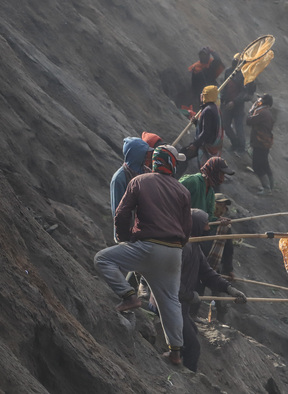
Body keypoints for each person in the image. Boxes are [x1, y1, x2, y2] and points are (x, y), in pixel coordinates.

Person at [94, 145, 192, 366]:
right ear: (172, 163)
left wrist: (123, 238)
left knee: (102, 259)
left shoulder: (140, 181)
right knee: (171, 302)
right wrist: (177, 246)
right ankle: (175, 352)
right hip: (173, 251)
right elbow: (187, 228)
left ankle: (129, 296)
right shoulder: (182, 191)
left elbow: (121, 212)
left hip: (146, 246)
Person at [179, 209, 246, 372]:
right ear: (196, 226)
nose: (208, 228)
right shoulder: (182, 248)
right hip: (170, 305)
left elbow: (209, 274)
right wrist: (190, 295)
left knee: (192, 332)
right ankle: (188, 378)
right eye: (206, 224)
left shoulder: (195, 248)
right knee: (193, 347)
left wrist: (230, 289)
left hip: (181, 307)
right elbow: (169, 282)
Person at [177, 85, 224, 177]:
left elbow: (206, 132)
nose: (201, 95)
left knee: (182, 156)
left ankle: (174, 178)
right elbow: (210, 127)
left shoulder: (207, 111)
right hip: (210, 143)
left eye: (203, 94)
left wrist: (195, 144)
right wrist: (196, 123)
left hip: (206, 145)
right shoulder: (214, 108)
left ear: (206, 96)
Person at [220, 54, 256, 154]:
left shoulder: (244, 75)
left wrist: (234, 101)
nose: (235, 64)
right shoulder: (228, 71)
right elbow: (225, 86)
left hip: (238, 105)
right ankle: (235, 143)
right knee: (225, 125)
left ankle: (241, 147)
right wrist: (222, 99)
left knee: (238, 126)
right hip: (227, 103)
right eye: (235, 62)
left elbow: (244, 92)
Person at [246, 93, 275, 194]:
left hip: (260, 143)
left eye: (259, 100)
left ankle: (267, 188)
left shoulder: (262, 113)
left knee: (257, 165)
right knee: (265, 164)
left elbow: (249, 121)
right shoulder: (267, 113)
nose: (257, 101)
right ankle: (271, 187)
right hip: (264, 142)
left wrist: (251, 110)